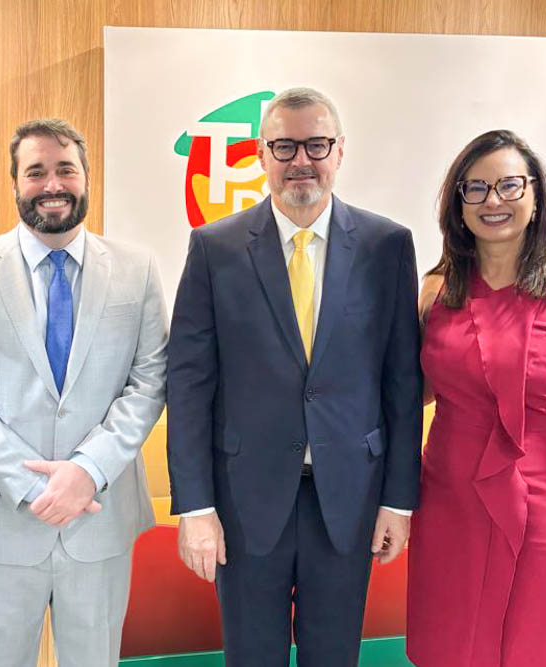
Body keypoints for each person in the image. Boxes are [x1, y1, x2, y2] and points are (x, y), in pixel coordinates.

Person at [166, 87, 423, 666]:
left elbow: (402, 385)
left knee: (333, 656)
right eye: (284, 146)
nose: (301, 160)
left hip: (350, 498)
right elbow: (188, 385)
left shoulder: (387, 246)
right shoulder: (214, 249)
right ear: (262, 154)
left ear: (340, 151)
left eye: (316, 145)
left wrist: (398, 501)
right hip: (244, 499)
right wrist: (196, 508)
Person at [0, 119, 167, 667]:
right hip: (4, 519)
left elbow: (149, 381)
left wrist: (87, 470)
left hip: (99, 517)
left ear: (86, 178)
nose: (52, 184)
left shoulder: (137, 269)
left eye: (65, 170)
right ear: (14, 183)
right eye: (35, 172)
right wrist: (32, 486)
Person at [406, 130, 546, 666]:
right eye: (476, 188)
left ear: (535, 197)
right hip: (447, 500)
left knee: (526, 647)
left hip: (542, 505)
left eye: (509, 185)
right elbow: (414, 394)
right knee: (446, 645)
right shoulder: (436, 289)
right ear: (457, 203)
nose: (493, 201)